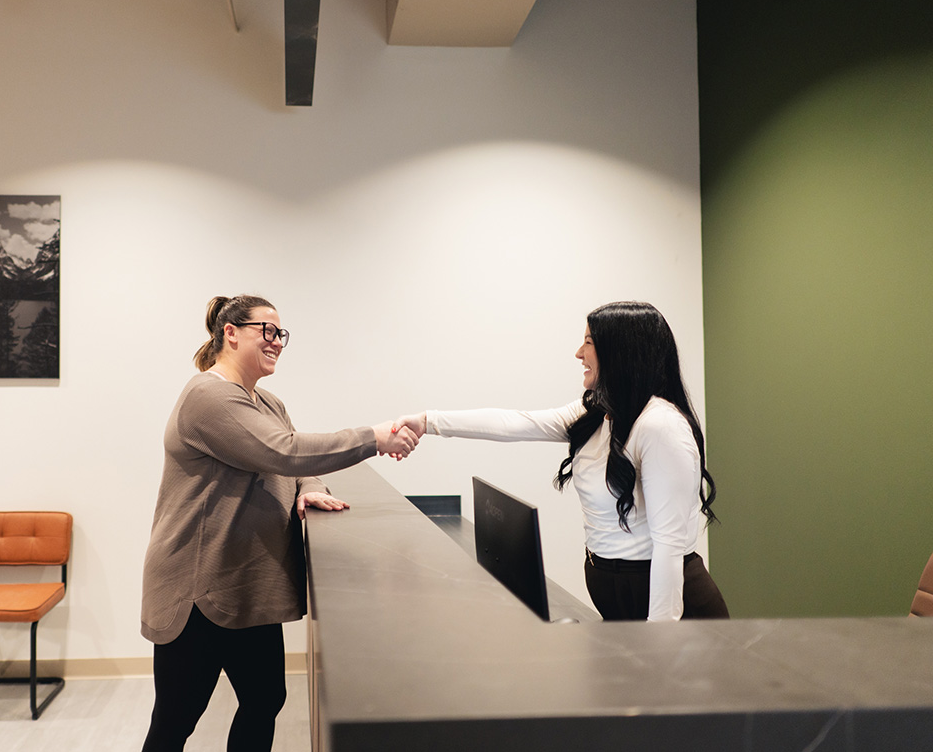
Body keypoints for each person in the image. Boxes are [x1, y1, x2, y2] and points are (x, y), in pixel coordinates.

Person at [141, 294, 419, 752]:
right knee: (176, 719)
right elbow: (282, 451)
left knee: (265, 697)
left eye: (280, 334)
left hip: (241, 584)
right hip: (197, 588)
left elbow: (291, 459)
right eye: (266, 331)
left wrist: (311, 488)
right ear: (230, 333)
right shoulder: (207, 396)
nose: (276, 342)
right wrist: (373, 436)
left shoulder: (267, 402)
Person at [396, 301, 728, 622]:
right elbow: (517, 422)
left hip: (668, 605)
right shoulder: (597, 414)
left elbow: (669, 546)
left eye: (588, 343)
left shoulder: (660, 425)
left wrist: (661, 637)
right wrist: (427, 421)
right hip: (617, 594)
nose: (579, 354)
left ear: (621, 352)